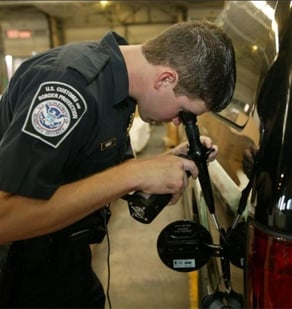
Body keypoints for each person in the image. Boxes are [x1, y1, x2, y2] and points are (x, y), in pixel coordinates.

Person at [0, 21, 236, 308]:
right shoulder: (68, 88)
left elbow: (95, 173)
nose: (177, 122)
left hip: (66, 257)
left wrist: (164, 163)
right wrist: (133, 174)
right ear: (165, 79)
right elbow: (5, 219)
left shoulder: (120, 89)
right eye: (183, 112)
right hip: (15, 270)